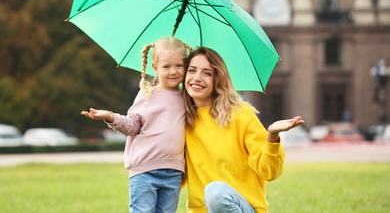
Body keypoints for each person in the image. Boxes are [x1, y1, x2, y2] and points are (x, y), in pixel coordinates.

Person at [182, 46, 304, 213]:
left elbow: (269, 172)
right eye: (192, 70)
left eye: (207, 73)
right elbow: (175, 177)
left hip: (242, 207)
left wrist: (272, 138)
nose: (197, 78)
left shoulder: (239, 115)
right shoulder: (181, 120)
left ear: (218, 78)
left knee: (215, 193)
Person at [81, 37, 192, 213]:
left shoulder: (187, 98)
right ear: (155, 68)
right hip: (145, 171)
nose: (173, 71)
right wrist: (110, 116)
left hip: (173, 172)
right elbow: (131, 126)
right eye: (166, 66)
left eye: (179, 65)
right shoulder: (147, 94)